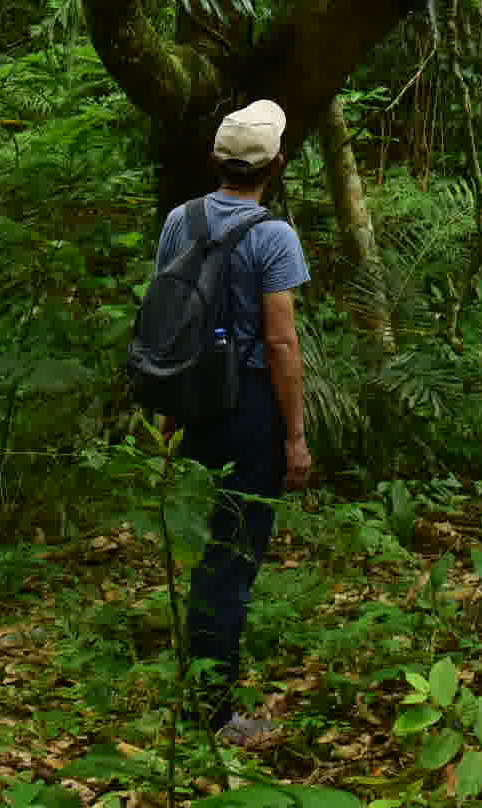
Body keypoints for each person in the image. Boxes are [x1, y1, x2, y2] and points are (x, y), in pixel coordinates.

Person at [156, 97, 314, 745]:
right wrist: (296, 435)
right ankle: (217, 717)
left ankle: (200, 691)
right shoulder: (272, 236)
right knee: (232, 557)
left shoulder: (179, 221)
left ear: (215, 160)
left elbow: (167, 317)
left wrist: (168, 415)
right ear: (275, 165)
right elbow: (281, 346)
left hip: (194, 402)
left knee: (208, 552)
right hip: (250, 407)